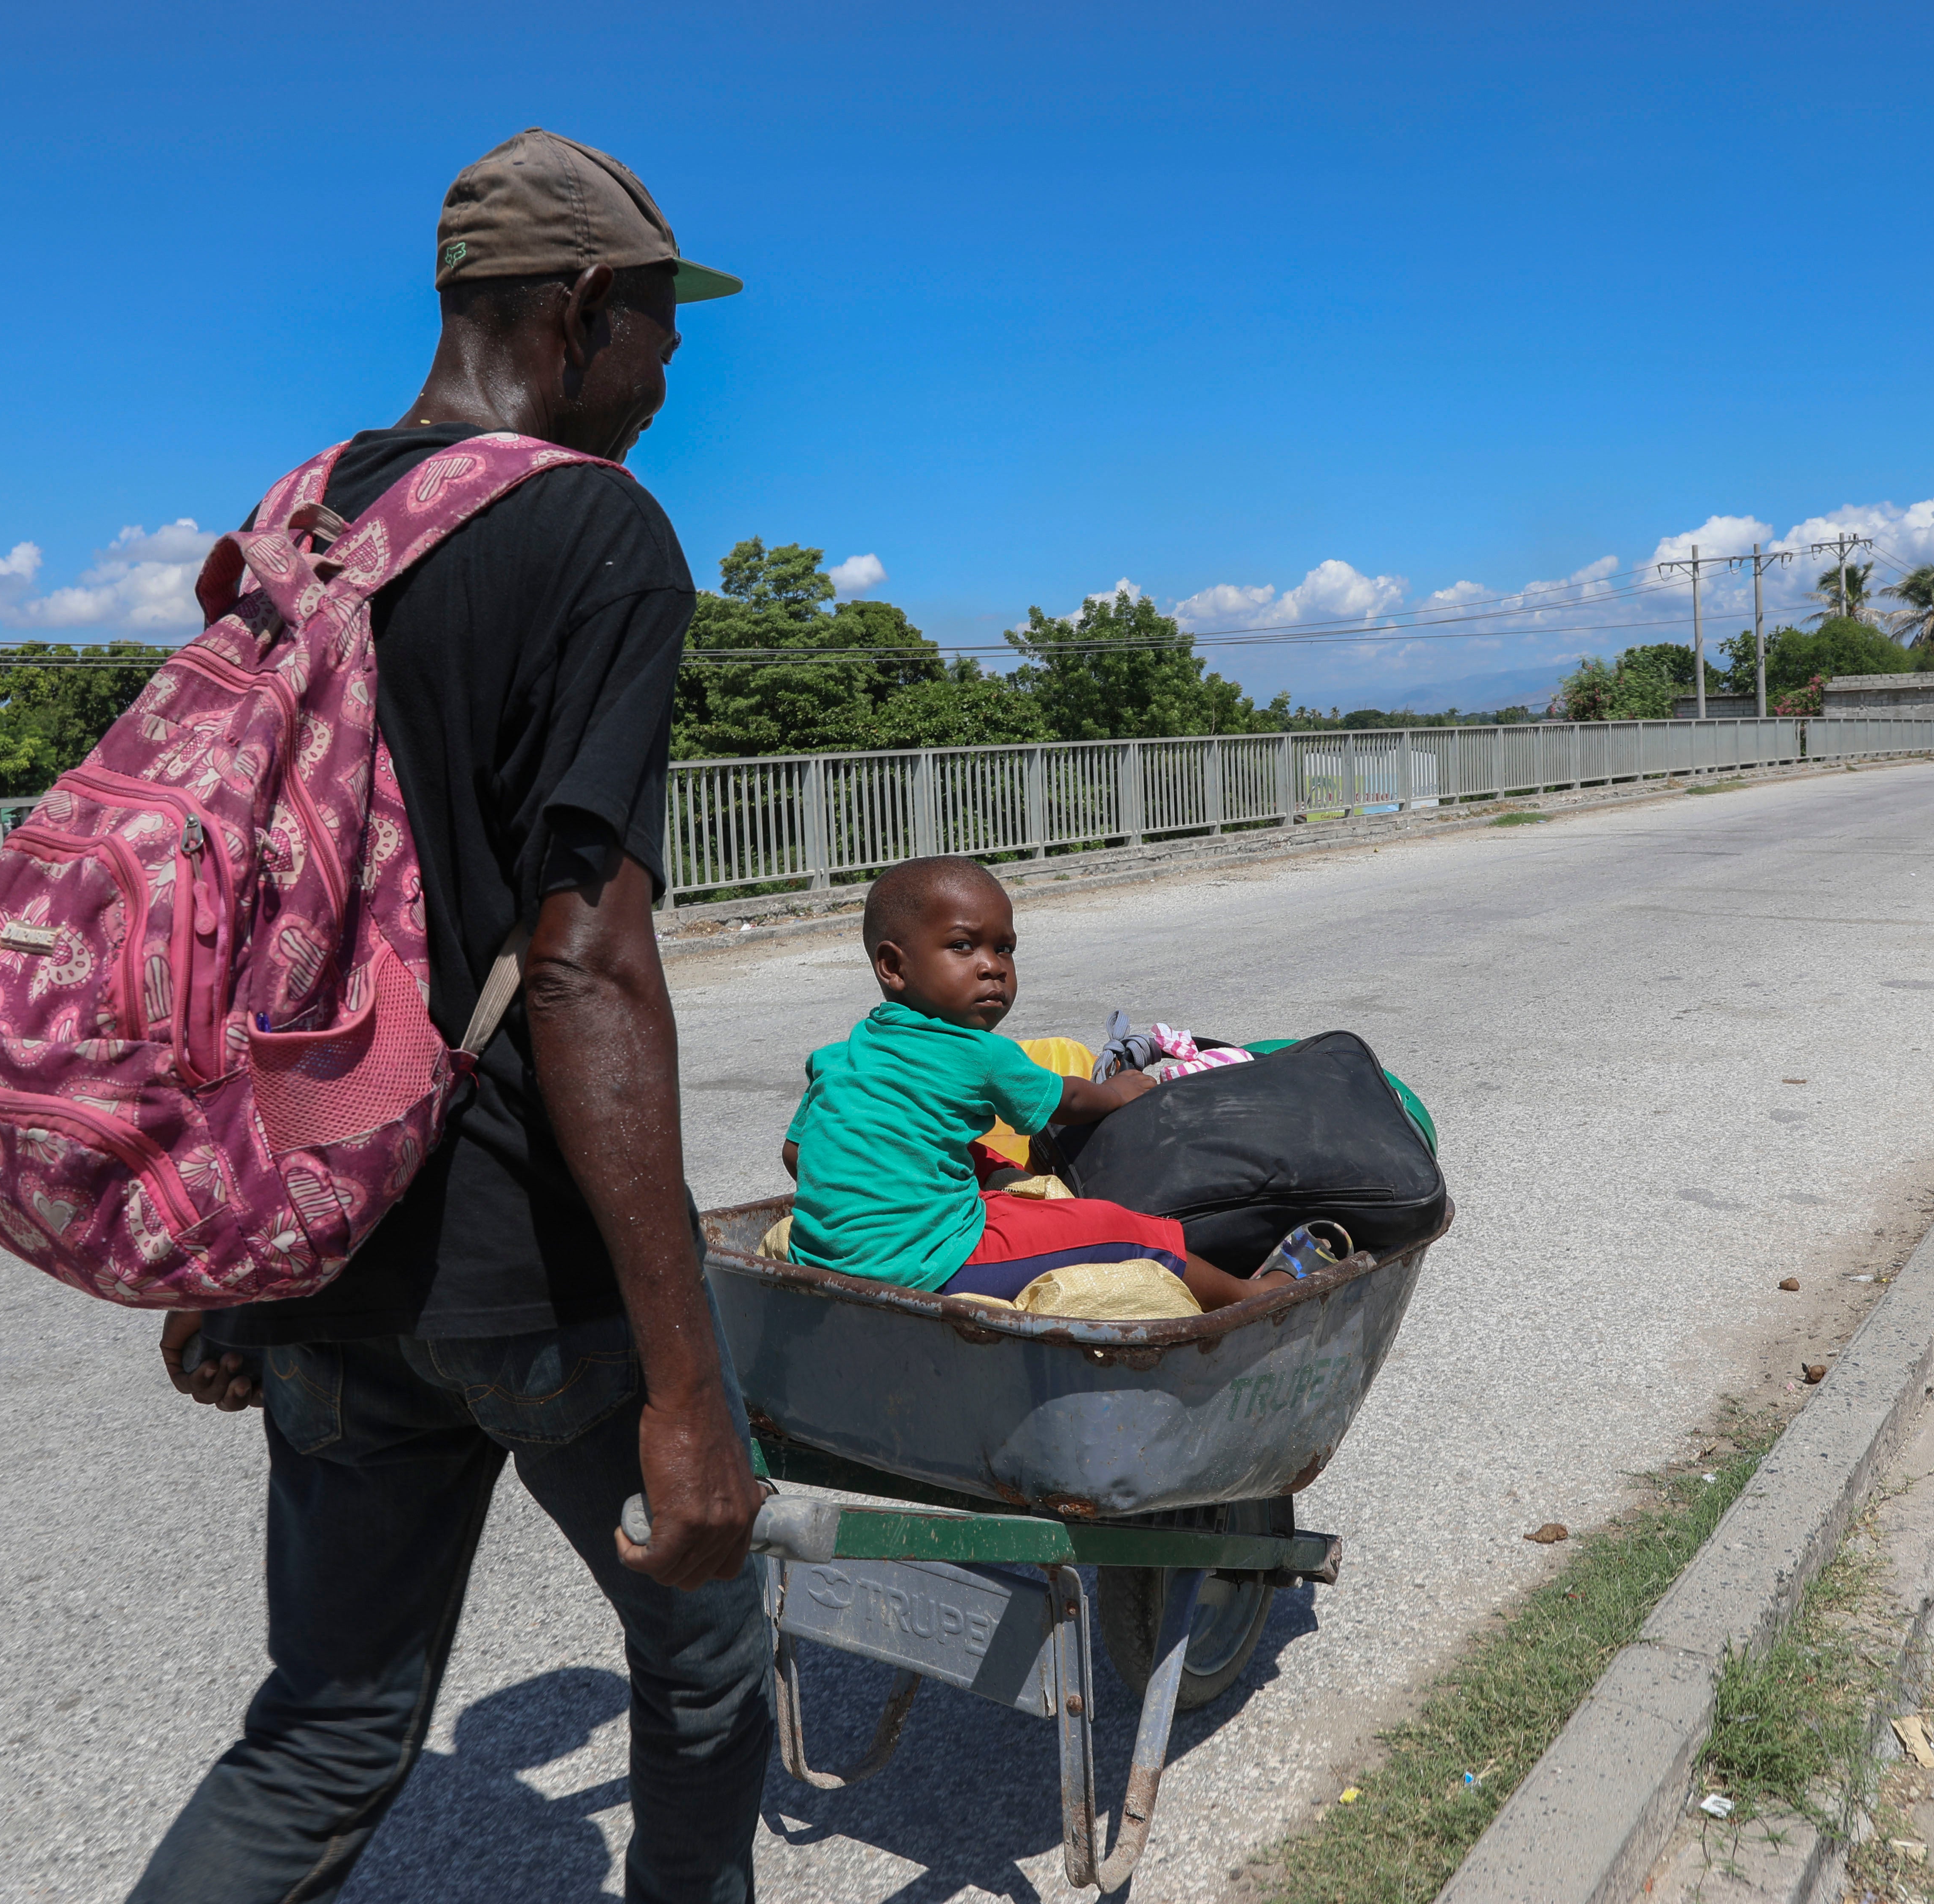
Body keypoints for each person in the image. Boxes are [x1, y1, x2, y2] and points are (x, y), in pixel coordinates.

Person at [135, 130, 768, 1904]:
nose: (662, 382)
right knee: (709, 1649)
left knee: (330, 1731)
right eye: (656, 336)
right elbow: (582, 958)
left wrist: (222, 1250)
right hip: (523, 1251)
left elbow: (235, 912)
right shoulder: (596, 528)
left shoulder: (304, 520)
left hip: (318, 1235)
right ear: (578, 313)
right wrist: (686, 1380)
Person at [777, 856, 1301, 1311]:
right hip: (928, 1263)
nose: (993, 968)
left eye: (1004, 949)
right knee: (1118, 1228)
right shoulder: (980, 1054)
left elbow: (797, 1154)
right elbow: (1066, 1100)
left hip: (822, 1254)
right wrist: (1117, 1092)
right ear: (893, 965)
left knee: (973, 1159)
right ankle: (1246, 1294)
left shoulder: (839, 1056)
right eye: (963, 946)